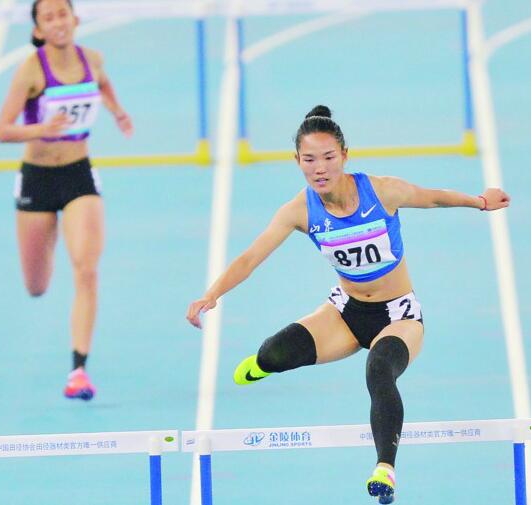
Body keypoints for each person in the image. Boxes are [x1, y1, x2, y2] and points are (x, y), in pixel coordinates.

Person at [186, 105, 509, 503]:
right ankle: (262, 365)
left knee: (379, 369)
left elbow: (434, 198)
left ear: (344, 156)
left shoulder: (381, 191)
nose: (319, 168)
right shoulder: (299, 211)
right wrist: (211, 294)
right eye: (309, 160)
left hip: (398, 315)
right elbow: (251, 257)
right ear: (297, 161)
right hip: (344, 313)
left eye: (328, 158)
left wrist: (480, 201)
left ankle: (385, 468)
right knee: (272, 353)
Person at [0, 0, 133, 401]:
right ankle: (50, 235)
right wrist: (42, 128)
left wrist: (117, 111)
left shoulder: (93, 59)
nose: (58, 22)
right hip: (37, 179)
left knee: (86, 270)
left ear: (75, 18)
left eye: (62, 14)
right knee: (36, 286)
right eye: (48, 17)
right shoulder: (31, 70)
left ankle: (78, 371)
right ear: (38, 30)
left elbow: (102, 84)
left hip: (78, 175)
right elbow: (3, 130)